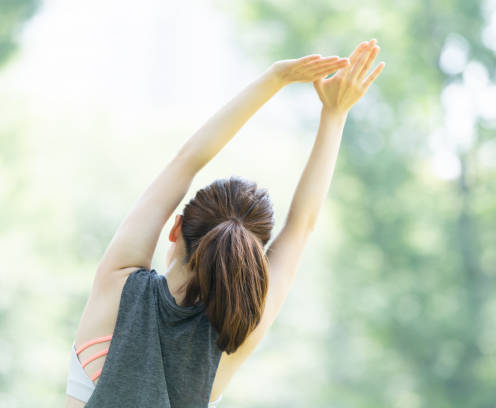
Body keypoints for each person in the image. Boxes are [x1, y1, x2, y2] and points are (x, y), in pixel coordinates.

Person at [65, 38, 384, 407]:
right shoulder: (234, 337)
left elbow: (187, 161)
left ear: (175, 228)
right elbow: (302, 226)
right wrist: (335, 113)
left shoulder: (118, 286)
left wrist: (275, 78)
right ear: (249, 257)